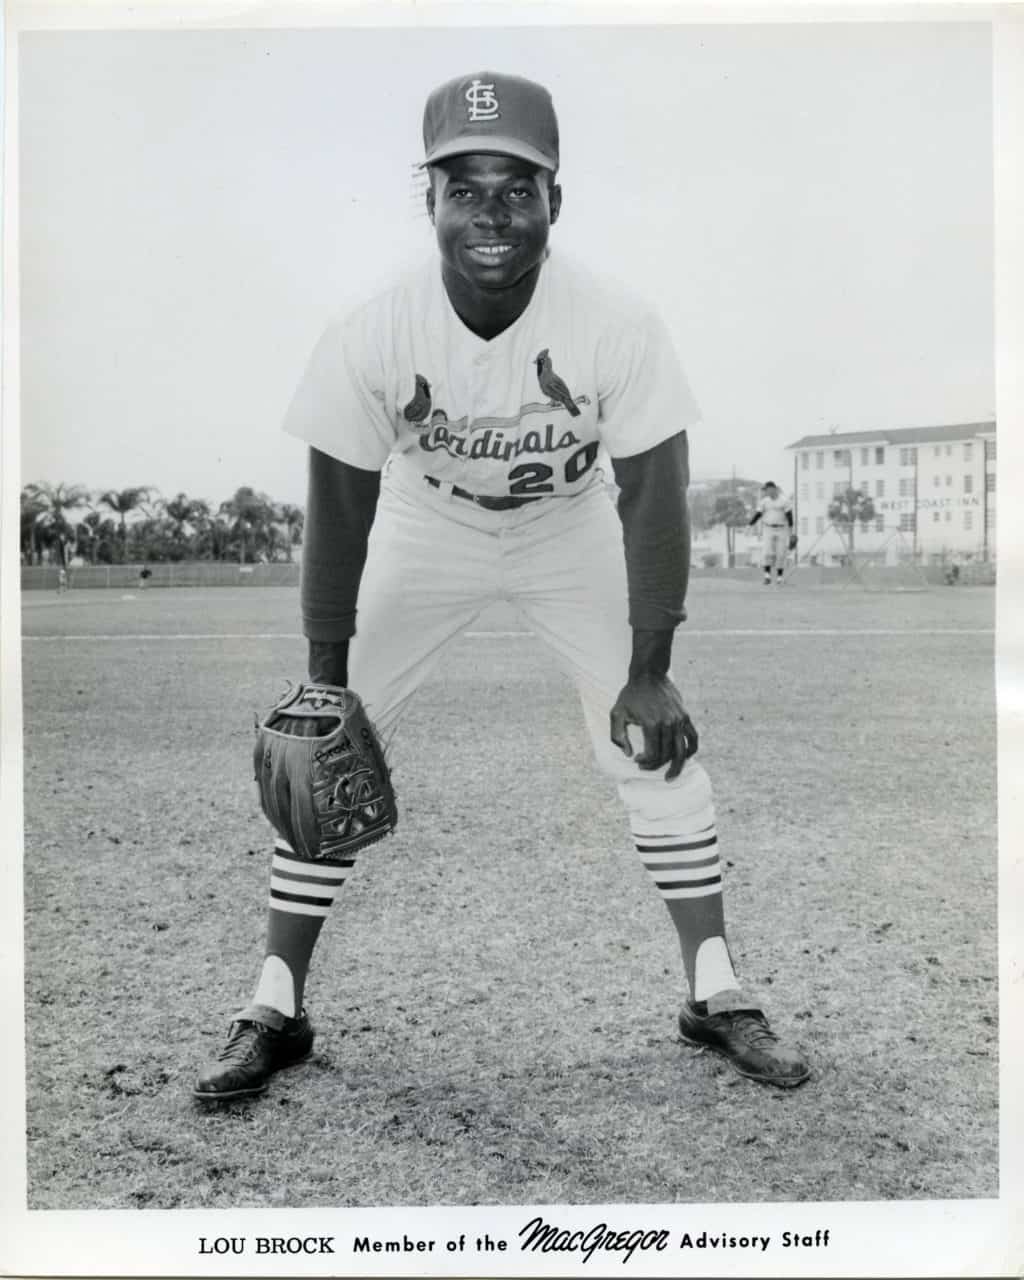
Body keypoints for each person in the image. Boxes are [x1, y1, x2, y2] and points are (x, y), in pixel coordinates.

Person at [193, 71, 810, 1101]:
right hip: (427, 523)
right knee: (318, 751)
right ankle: (275, 999)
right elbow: (340, 505)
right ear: (425, 200)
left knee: (651, 745)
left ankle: (714, 987)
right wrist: (324, 678)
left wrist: (649, 666)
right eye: (463, 186)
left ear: (554, 203)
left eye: (516, 187)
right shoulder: (374, 327)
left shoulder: (615, 320)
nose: (490, 212)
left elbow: (653, 491)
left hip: (569, 528)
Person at [748, 481, 795, 585]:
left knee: (781, 553)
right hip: (768, 529)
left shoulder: (784, 501)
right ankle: (767, 577)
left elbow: (790, 517)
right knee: (767, 552)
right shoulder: (764, 501)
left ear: (773, 488)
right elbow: (758, 514)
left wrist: (791, 533)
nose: (766, 492)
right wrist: (750, 524)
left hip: (782, 529)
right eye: (765, 490)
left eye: (767, 489)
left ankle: (779, 578)